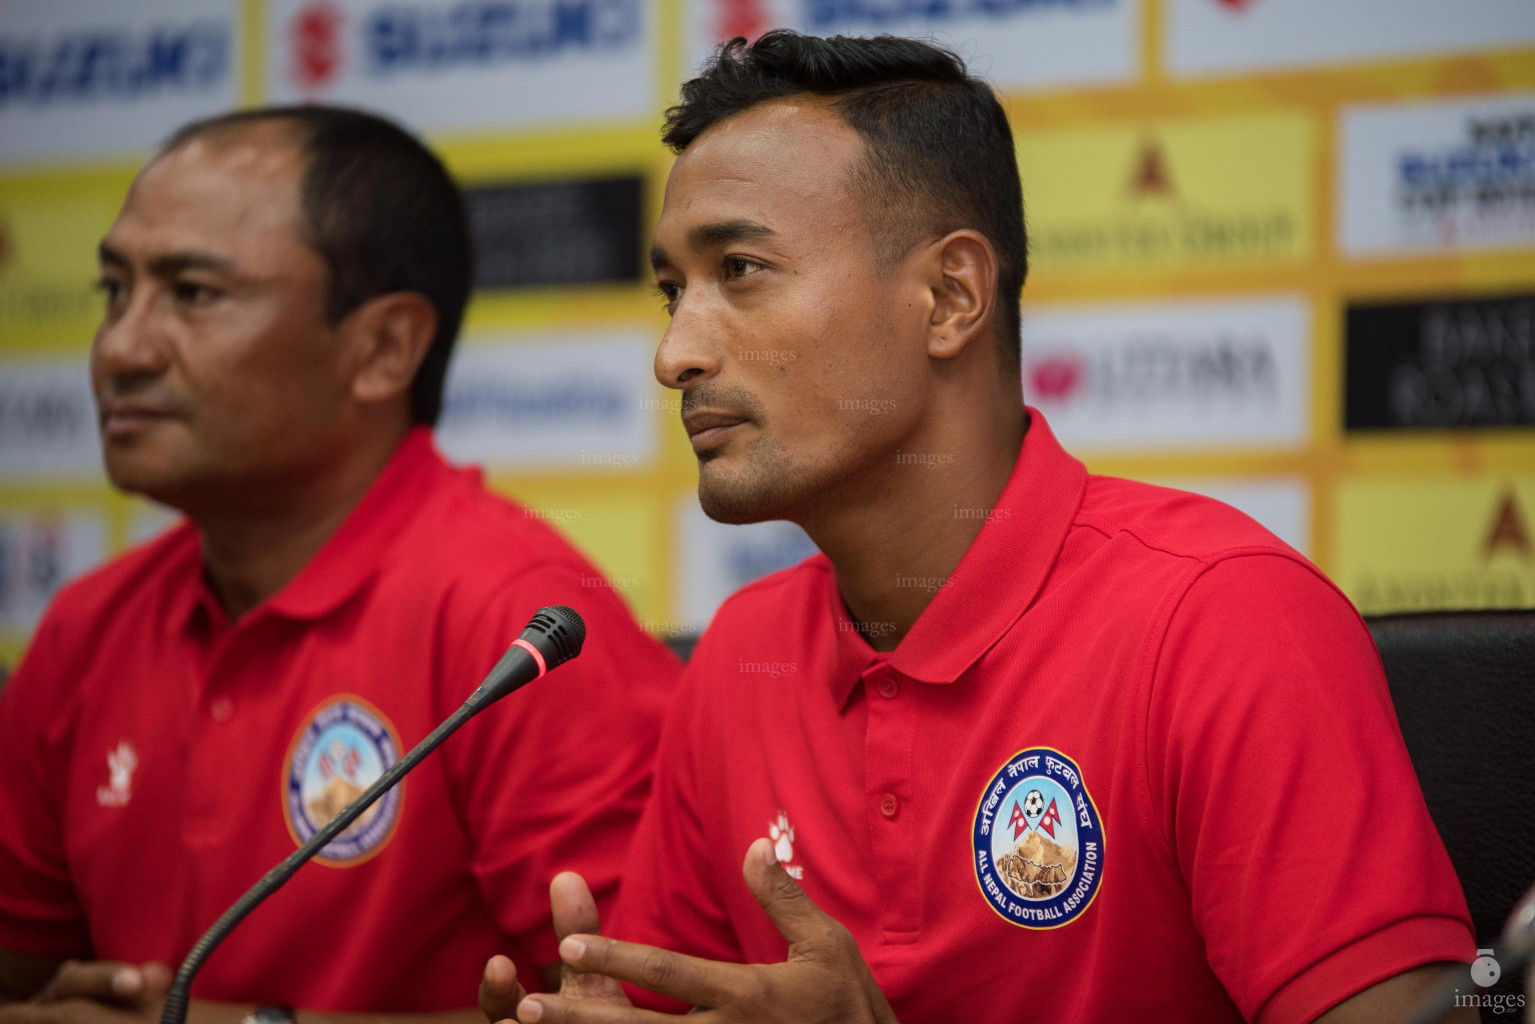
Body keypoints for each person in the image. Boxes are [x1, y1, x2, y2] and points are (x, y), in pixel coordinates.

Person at [476, 31, 1478, 1024]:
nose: (674, 352)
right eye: (669, 291)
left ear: (949, 295)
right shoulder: (740, 656)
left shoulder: (1219, 617)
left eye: (738, 269)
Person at [0, 106, 679, 1024]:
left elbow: (647, 1012)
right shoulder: (87, 627)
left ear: (383, 347)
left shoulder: (517, 624)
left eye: (193, 293)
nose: (121, 348)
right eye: (114, 291)